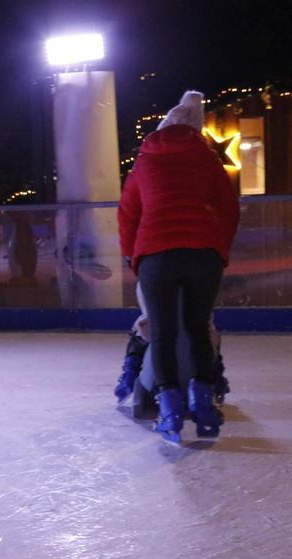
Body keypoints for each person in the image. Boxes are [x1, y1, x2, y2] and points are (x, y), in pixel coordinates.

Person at [118, 90, 239, 443]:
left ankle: (169, 411)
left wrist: (132, 254)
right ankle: (202, 405)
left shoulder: (145, 162)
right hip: (203, 253)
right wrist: (219, 248)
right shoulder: (208, 160)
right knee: (198, 327)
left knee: (163, 332)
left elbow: (128, 215)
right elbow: (229, 208)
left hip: (156, 254)